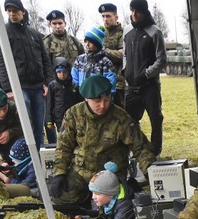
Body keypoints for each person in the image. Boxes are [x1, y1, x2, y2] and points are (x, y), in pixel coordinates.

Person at [51, 75, 155, 207]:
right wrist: (59, 172)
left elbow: (141, 147)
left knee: (113, 209)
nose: (103, 105)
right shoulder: (74, 114)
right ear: (86, 99)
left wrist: (150, 172)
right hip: (80, 172)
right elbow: (64, 146)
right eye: (97, 101)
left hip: (110, 175)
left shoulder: (121, 118)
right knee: (60, 200)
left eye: (107, 99)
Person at [0, 0, 53, 149]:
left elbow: (45, 60)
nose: (12, 14)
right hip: (20, 88)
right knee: (25, 127)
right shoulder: (3, 32)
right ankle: (26, 157)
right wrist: (8, 89)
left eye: (15, 10)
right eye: (9, 11)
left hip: (38, 87)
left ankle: (38, 156)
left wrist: (47, 83)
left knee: (39, 126)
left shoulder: (35, 34)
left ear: (22, 12)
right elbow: (1, 62)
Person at [123, 0, 166, 157]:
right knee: (128, 121)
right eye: (132, 10)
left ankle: (155, 152)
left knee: (155, 119)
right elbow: (125, 55)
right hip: (131, 87)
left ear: (145, 12)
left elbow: (161, 60)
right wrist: (125, 71)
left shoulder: (155, 32)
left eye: (138, 11)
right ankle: (136, 149)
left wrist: (146, 74)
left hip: (149, 86)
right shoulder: (127, 31)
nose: (134, 14)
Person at [70, 162, 135, 219]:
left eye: (97, 193)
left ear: (110, 194)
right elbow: (100, 217)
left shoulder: (125, 206)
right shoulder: (102, 200)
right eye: (92, 192)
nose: (93, 197)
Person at [45, 57, 80, 144]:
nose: (62, 74)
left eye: (64, 72)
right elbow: (49, 104)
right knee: (63, 136)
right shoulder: (52, 85)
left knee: (75, 135)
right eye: (59, 72)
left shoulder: (74, 85)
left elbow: (79, 102)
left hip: (73, 116)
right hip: (59, 117)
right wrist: (49, 120)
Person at [71, 27, 116, 92]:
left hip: (97, 95)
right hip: (81, 93)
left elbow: (110, 82)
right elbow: (74, 76)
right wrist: (76, 89)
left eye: (90, 42)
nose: (87, 44)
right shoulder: (80, 59)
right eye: (86, 41)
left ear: (97, 44)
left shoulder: (105, 62)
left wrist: (105, 95)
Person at [98, 3, 126, 107]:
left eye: (108, 16)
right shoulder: (101, 34)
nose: (105, 19)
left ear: (116, 17)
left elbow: (121, 55)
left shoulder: (123, 33)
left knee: (120, 111)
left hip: (118, 82)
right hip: (101, 81)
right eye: (103, 16)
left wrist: (103, 50)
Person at [43, 9, 83, 77]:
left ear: (65, 23)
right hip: (55, 79)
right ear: (50, 25)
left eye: (60, 23)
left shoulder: (75, 41)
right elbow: (44, 65)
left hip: (73, 79)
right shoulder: (46, 42)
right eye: (54, 23)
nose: (58, 26)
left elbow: (83, 61)